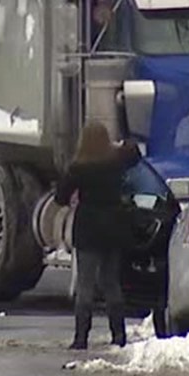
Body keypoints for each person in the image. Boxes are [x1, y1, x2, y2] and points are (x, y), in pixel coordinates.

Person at [52, 126, 143, 350]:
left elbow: (60, 197)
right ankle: (118, 335)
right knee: (112, 283)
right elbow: (135, 154)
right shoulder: (117, 162)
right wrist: (124, 143)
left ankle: (81, 338)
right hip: (114, 228)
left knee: (86, 284)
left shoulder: (79, 167)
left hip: (88, 228)